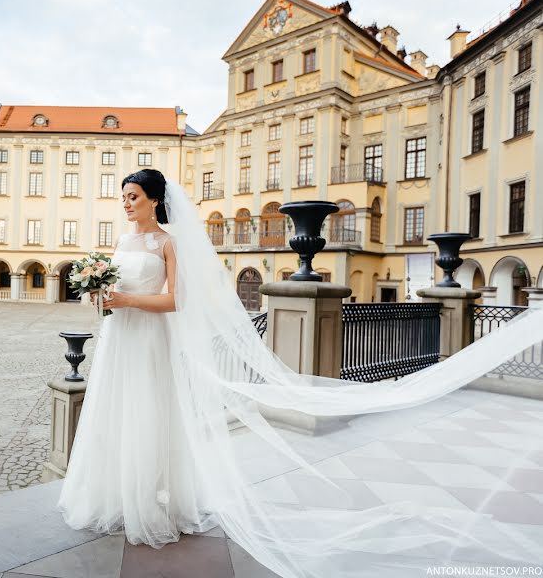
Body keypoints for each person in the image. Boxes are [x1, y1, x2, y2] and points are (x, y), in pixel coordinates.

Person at [57, 169, 543, 577]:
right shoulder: (121, 239)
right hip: (120, 337)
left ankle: (152, 499)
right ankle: (114, 493)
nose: (126, 204)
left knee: (149, 414)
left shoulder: (168, 242)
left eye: (133, 196)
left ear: (155, 200)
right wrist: (99, 295)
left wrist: (126, 299)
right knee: (117, 412)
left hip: (149, 340)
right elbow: (113, 287)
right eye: (123, 197)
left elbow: (175, 300)